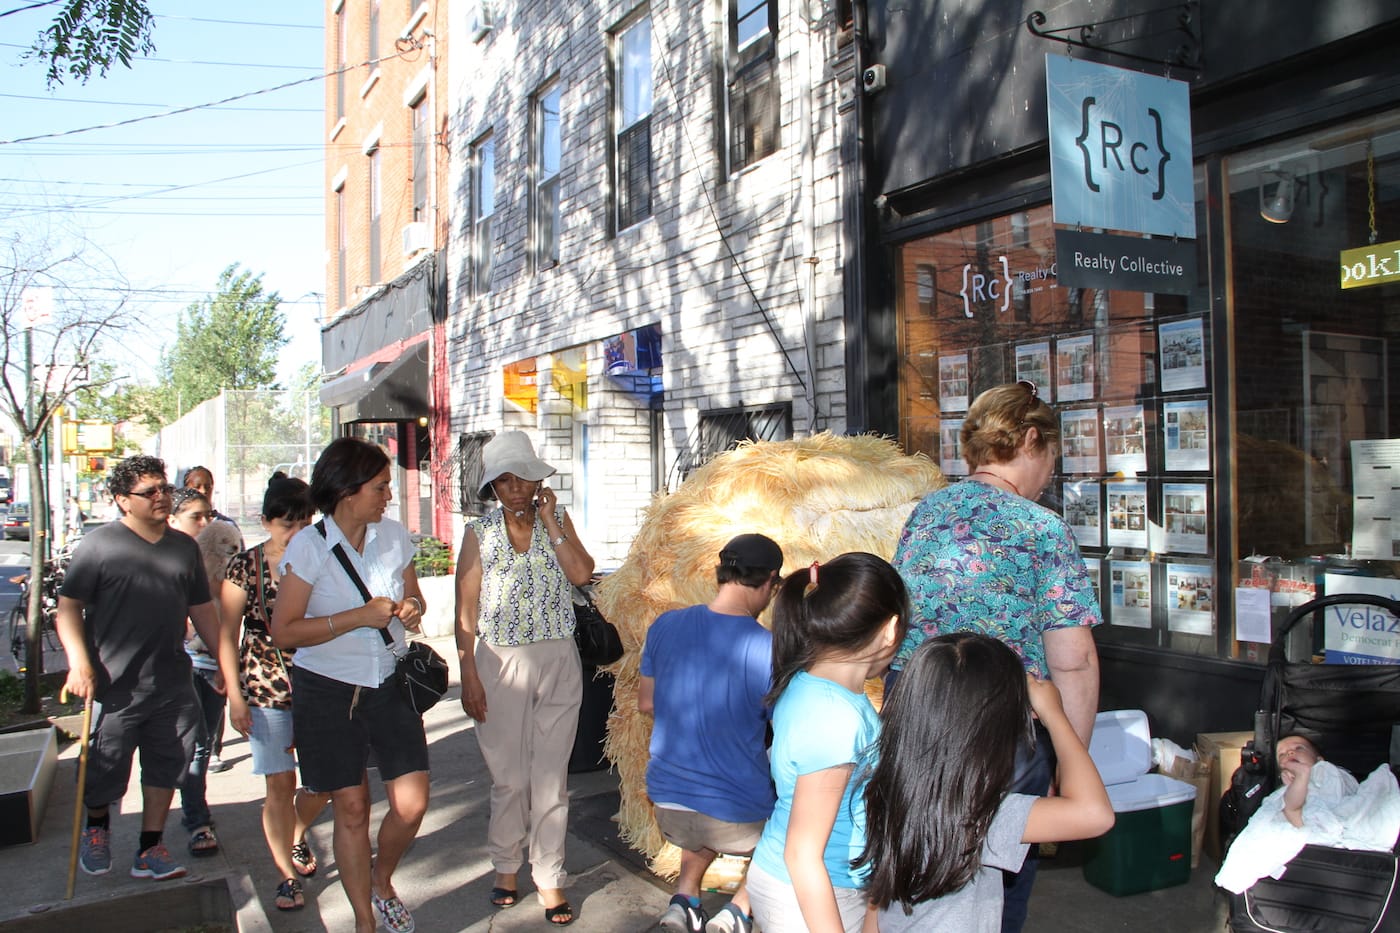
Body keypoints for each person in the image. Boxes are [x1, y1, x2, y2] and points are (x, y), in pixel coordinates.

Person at [890, 380, 1102, 933]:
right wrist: (1069, 757)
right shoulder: (1042, 529)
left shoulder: (926, 514)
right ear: (1031, 440)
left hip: (917, 715)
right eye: (1052, 455)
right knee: (1000, 873)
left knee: (919, 858)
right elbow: (1073, 660)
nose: (1050, 472)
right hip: (1001, 727)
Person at [271, 438, 429, 933]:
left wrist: (412, 608)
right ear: (346, 490)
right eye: (380, 487)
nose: (389, 496)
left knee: (412, 804)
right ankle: (365, 919)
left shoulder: (394, 536)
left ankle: (382, 881)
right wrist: (356, 617)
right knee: (353, 808)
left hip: (390, 682)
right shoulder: (309, 546)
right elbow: (284, 631)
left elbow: (416, 597)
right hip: (328, 691)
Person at [858, 633, 1114, 931]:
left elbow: (879, 892)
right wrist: (1055, 716)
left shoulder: (891, 790)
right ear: (995, 726)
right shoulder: (979, 816)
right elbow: (1095, 814)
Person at [55, 455, 223, 882]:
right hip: (113, 684)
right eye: (148, 492)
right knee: (104, 765)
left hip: (171, 681)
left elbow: (201, 608)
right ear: (122, 500)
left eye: (164, 488)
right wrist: (79, 663)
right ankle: (97, 828)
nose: (161, 497)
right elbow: (68, 608)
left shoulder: (183, 547)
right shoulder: (99, 546)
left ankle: (150, 846)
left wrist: (224, 660)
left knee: (168, 764)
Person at [454, 430, 595, 927]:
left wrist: (553, 523)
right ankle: (506, 865)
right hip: (500, 662)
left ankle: (550, 875)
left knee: (551, 780)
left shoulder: (558, 519)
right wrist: (468, 671)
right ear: (493, 487)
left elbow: (582, 574)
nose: (515, 489)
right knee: (509, 778)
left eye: (523, 478)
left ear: (538, 481)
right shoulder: (478, 533)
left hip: (558, 658)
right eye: (505, 481)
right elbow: (465, 609)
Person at [745, 553, 908, 933]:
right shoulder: (836, 719)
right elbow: (803, 855)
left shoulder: (810, 683)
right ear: (890, 630)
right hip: (815, 894)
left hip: (800, 885)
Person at [639, 533, 785, 933]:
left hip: (668, 805)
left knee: (703, 813)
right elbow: (787, 732)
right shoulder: (769, 648)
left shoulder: (665, 625)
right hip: (737, 819)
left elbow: (646, 703)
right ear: (769, 581)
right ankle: (738, 911)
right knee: (798, 826)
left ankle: (684, 901)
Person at [219, 473, 332, 912]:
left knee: (325, 781)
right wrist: (235, 697)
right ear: (266, 521)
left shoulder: (326, 558)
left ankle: (297, 833)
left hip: (320, 680)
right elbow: (227, 634)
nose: (298, 531)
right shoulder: (244, 566)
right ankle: (286, 876)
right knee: (279, 783)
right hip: (264, 685)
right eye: (288, 523)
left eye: (305, 521)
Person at [1216, 734, 1400, 894]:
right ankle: (1299, 791)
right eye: (1282, 754)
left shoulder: (1327, 770)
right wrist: (1294, 785)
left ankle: (1301, 789)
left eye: (1299, 748)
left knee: (1299, 811)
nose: (1290, 752)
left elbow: (1338, 795)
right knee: (1288, 812)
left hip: (1327, 816)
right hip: (1303, 819)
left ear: (1319, 759)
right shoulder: (1282, 790)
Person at [166, 487, 224, 857]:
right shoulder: (166, 556)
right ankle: (197, 819)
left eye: (208, 515)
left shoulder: (220, 548)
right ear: (172, 519)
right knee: (196, 743)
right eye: (195, 517)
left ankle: (195, 811)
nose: (204, 523)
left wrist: (228, 662)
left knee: (205, 741)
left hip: (215, 662)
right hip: (180, 664)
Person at [184, 464, 240, 771]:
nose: (203, 490)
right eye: (196, 485)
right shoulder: (174, 539)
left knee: (213, 703)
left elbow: (236, 576)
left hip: (215, 637)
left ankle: (213, 748)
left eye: (207, 485)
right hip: (185, 649)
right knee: (191, 730)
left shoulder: (225, 527)